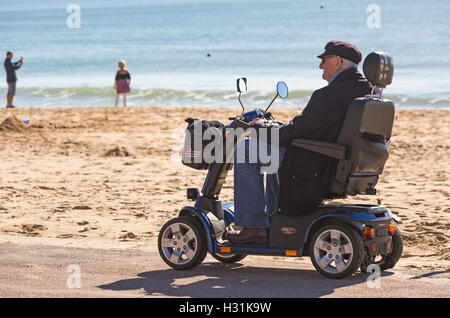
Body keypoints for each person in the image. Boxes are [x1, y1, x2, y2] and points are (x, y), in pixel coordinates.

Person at [226, 40, 378, 244]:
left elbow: (296, 131)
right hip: (340, 161)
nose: (320, 66)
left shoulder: (330, 94)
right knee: (271, 147)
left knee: (247, 148)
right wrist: (274, 130)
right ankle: (274, 218)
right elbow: (311, 128)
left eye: (324, 60)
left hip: (316, 163)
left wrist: (260, 128)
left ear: (339, 61)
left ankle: (253, 226)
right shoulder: (371, 93)